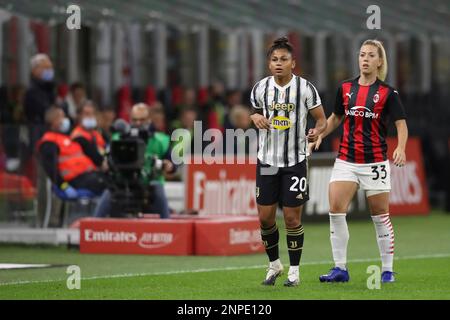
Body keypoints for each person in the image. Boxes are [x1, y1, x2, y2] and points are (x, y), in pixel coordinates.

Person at [309, 39, 408, 283]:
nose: (365, 59)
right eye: (362, 54)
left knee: (380, 215)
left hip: (374, 162)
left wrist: (402, 148)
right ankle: (340, 269)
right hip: (346, 159)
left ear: (379, 61)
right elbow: (335, 118)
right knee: (335, 209)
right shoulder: (344, 88)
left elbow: (401, 124)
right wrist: (319, 135)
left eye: (371, 55)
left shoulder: (388, 93)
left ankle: (387, 270)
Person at [250, 37, 327, 286]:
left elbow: (321, 120)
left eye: (284, 59)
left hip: (295, 161)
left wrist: (317, 132)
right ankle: (274, 265)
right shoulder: (260, 88)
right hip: (268, 161)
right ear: (268, 64)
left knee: (292, 219)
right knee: (265, 218)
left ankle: (294, 271)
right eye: (274, 60)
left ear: (293, 63)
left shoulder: (305, 88)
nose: (279, 63)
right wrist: (254, 117)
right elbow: (255, 113)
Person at [94, 103, 176, 218]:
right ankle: (93, 231)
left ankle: (168, 231)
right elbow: (107, 159)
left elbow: (173, 163)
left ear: (149, 119)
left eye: (142, 120)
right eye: (134, 120)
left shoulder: (161, 140)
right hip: (122, 182)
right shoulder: (118, 138)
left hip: (150, 183)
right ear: (129, 119)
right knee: (105, 199)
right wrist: (106, 164)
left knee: (159, 193)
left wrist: (169, 165)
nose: (138, 123)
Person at [37, 107, 108, 196]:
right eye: (61, 117)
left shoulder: (67, 138)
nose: (65, 120)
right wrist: (64, 186)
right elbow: (51, 170)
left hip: (88, 175)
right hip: (74, 181)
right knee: (106, 185)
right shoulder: (49, 143)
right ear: (53, 121)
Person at [24, 54, 56, 154]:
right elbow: (45, 112)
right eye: (46, 68)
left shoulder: (50, 89)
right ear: (35, 70)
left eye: (50, 68)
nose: (49, 71)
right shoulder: (32, 91)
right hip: (38, 135)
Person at [70, 100, 107, 170]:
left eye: (92, 114)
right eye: (87, 114)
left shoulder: (96, 133)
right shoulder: (77, 136)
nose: (90, 116)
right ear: (79, 116)